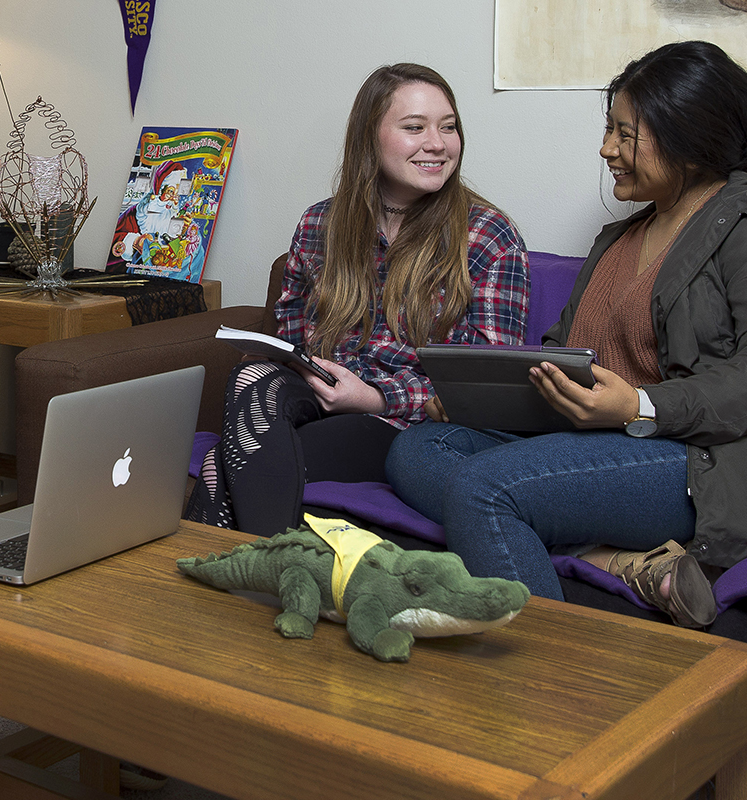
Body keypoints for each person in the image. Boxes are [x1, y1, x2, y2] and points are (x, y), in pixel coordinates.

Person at [384, 41, 747, 627]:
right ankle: (620, 561)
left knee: (484, 486)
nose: (607, 150)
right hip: (615, 442)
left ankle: (551, 686)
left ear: (689, 141)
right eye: (609, 130)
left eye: (625, 135)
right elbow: (569, 351)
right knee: (417, 448)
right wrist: (487, 398)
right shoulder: (620, 238)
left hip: (717, 457)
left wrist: (642, 405)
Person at [186, 63, 529, 536]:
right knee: (252, 375)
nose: (438, 143)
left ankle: (231, 571)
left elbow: (488, 387)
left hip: (402, 426)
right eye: (415, 128)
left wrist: (372, 397)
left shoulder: (487, 235)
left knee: (226, 464)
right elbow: (289, 340)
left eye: (448, 127)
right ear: (370, 137)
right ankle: (252, 571)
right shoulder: (318, 225)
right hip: (315, 396)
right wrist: (306, 369)